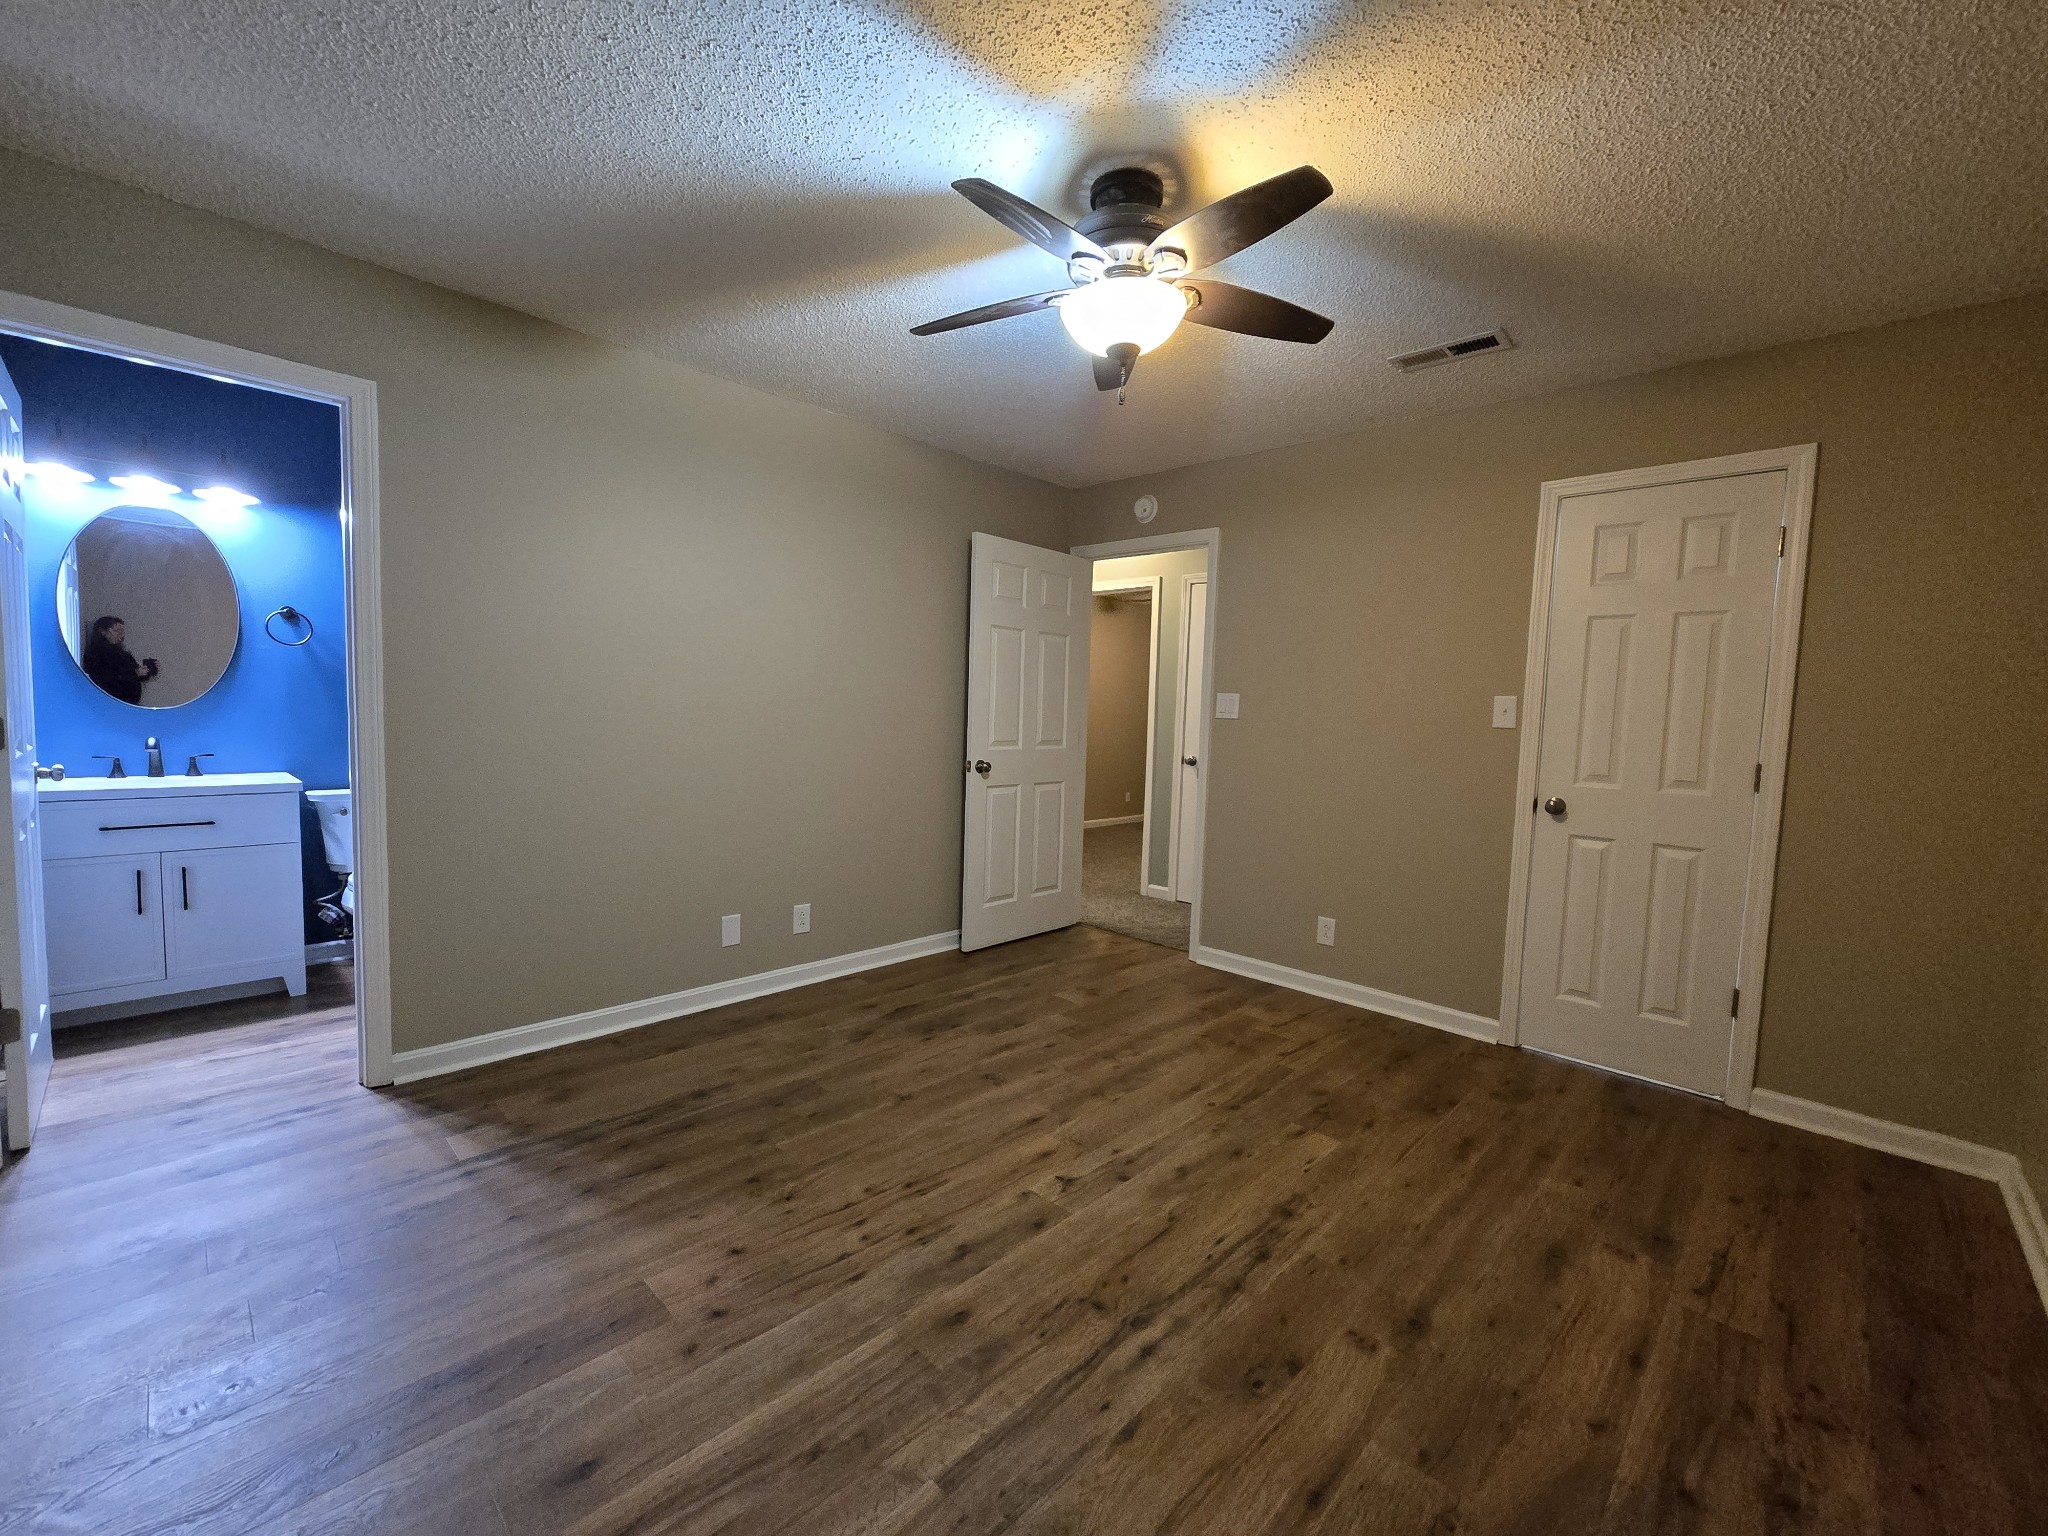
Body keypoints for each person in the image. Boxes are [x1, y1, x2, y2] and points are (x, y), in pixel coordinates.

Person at [81, 616, 159, 705]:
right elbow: (106, 679)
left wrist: (146, 670)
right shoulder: (96, 654)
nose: (121, 636)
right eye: (116, 631)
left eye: (122, 632)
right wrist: (134, 673)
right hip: (113, 703)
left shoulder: (121, 653)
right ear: (103, 632)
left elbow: (131, 671)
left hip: (127, 702)